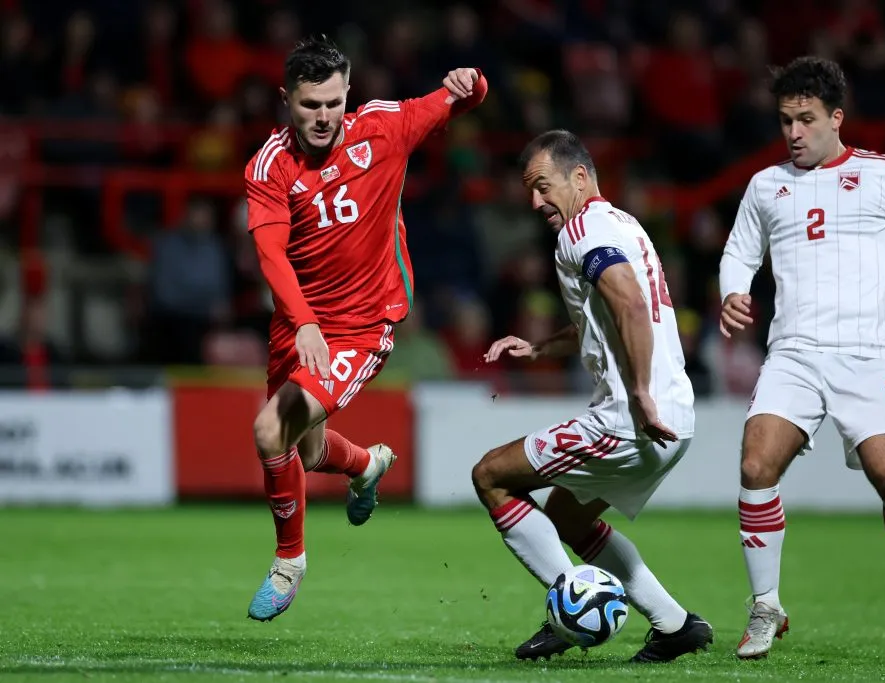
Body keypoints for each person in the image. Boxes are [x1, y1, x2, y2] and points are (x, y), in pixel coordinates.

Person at [719, 56, 885, 662]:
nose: (794, 132)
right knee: (756, 465)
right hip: (795, 355)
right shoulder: (765, 186)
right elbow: (737, 254)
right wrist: (732, 291)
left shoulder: (882, 175)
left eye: (806, 119)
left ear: (836, 118)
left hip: (867, 354)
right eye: (785, 120)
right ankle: (765, 605)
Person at [244, 35, 487, 622]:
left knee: (270, 429)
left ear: (347, 93)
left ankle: (289, 563)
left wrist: (471, 81)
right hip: (299, 329)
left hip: (362, 325)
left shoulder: (383, 128)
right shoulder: (269, 167)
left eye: (332, 102)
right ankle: (366, 466)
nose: (322, 116)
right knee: (307, 447)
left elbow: (464, 97)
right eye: (309, 105)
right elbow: (271, 254)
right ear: (286, 100)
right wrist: (302, 322)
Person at [473, 130, 713, 663]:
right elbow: (605, 314)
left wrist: (641, 395)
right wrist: (539, 346)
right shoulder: (622, 223)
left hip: (631, 419)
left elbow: (628, 304)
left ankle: (573, 609)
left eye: (542, 186)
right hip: (675, 416)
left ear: (579, 177)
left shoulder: (580, 231)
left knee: (490, 475)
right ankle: (675, 626)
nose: (535, 202)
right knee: (568, 517)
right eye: (529, 191)